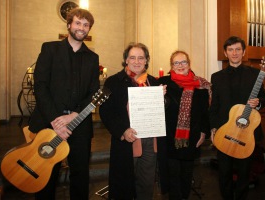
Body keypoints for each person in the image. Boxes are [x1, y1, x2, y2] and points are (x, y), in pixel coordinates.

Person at [28, 8, 99, 200]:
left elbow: (93, 93)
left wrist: (75, 114)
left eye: (86, 25)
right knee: (47, 174)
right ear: (69, 25)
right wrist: (56, 120)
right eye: (78, 23)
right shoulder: (50, 49)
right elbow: (40, 87)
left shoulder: (93, 58)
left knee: (80, 175)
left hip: (79, 125)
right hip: (49, 125)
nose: (81, 28)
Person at [99, 42, 166, 200]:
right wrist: (122, 130)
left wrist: (162, 99)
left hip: (150, 141)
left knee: (146, 183)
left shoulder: (153, 82)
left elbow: (162, 110)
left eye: (141, 58)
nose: (137, 61)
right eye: (133, 57)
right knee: (123, 184)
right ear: (126, 60)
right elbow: (105, 111)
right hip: (126, 141)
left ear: (146, 60)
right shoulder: (113, 82)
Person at [209, 36, 265, 200]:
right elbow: (214, 107)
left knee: (244, 173)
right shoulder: (217, 77)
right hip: (224, 132)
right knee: (224, 173)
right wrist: (213, 128)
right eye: (230, 49)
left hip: (246, 133)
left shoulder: (256, 74)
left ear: (243, 52)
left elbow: (264, 98)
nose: (234, 53)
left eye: (237, 49)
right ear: (225, 53)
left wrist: (258, 103)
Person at [157, 50, 211, 200]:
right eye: (176, 63)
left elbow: (205, 113)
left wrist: (203, 132)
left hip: (192, 137)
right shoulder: (163, 83)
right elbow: (155, 108)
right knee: (172, 174)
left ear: (189, 64)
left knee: (187, 174)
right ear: (171, 66)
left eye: (183, 62)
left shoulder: (201, 85)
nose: (180, 65)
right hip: (170, 137)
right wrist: (158, 96)